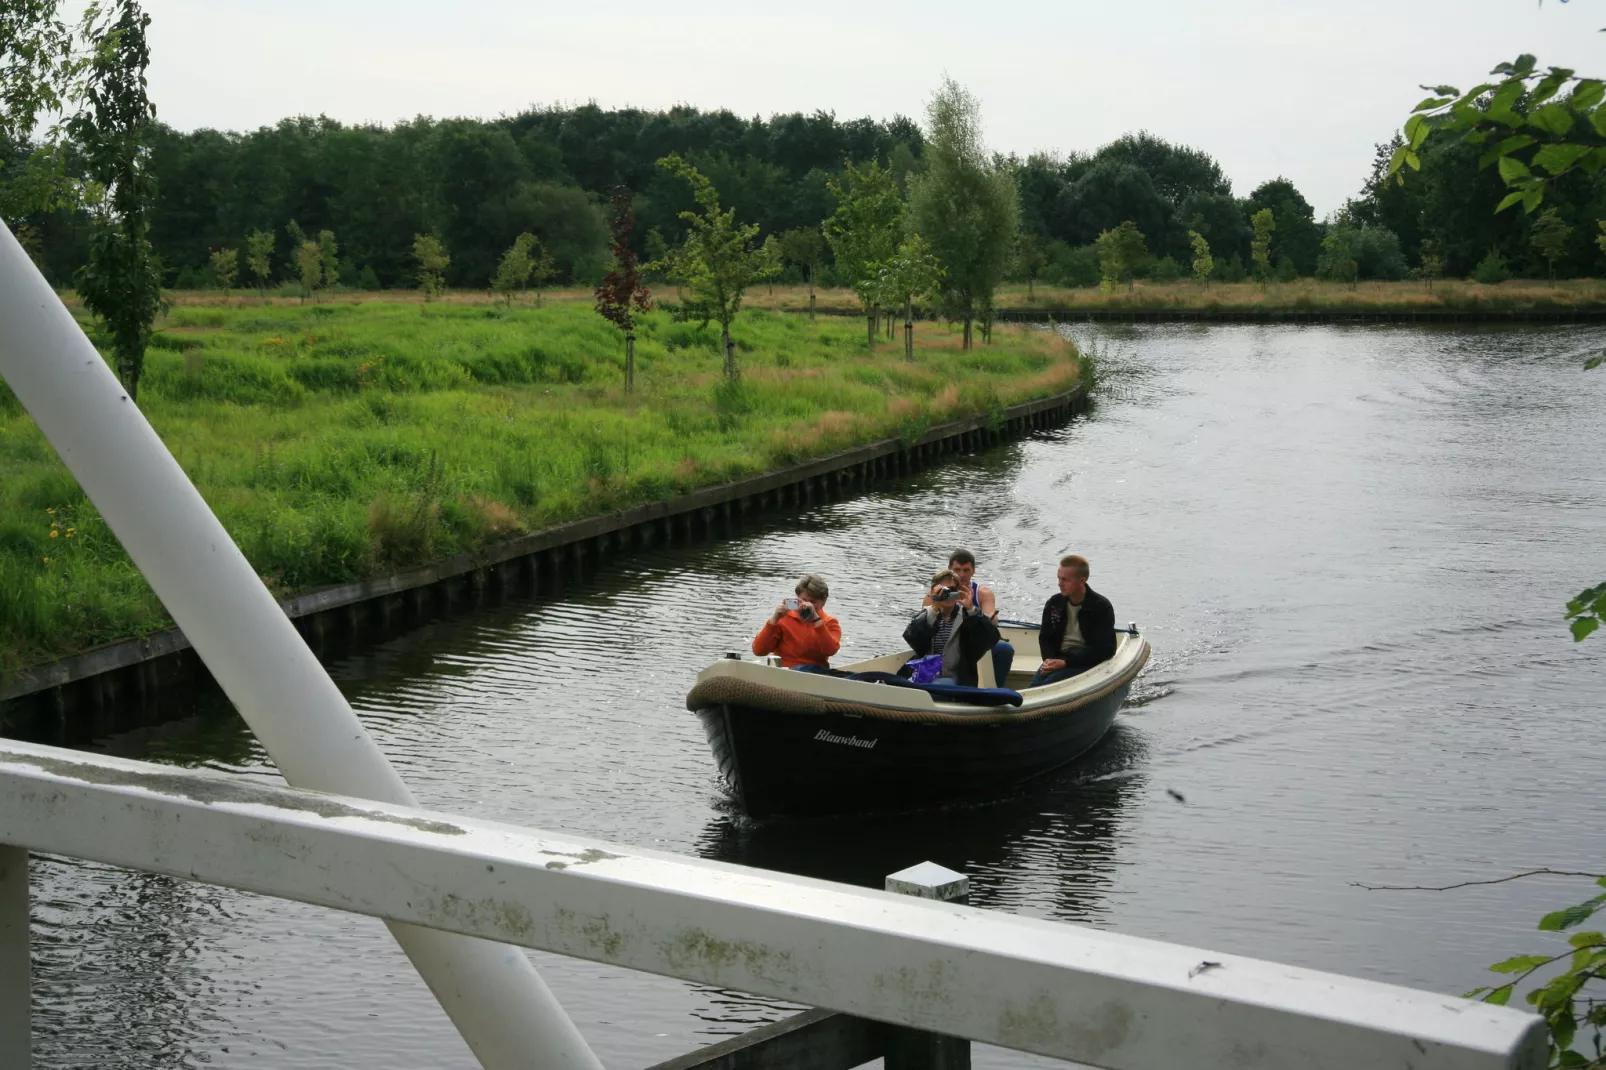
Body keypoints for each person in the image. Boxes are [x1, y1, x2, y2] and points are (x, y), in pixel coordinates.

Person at [904, 569, 1001, 688]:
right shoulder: (928, 615)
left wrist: (971, 610)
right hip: (925, 674)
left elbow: (991, 638)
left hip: (956, 678)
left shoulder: (968, 617)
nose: (947, 595)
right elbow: (912, 639)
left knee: (940, 685)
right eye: (943, 591)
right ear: (934, 592)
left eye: (952, 590)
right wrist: (933, 609)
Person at [1031, 554, 1116, 687]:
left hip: (1086, 662)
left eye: (1066, 580)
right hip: (1059, 658)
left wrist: (1066, 663)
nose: (1060, 584)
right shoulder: (1054, 603)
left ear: (1082, 581)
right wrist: (1050, 660)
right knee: (1037, 684)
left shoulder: (1100, 606)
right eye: (1059, 578)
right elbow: (1045, 638)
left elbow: (1104, 649)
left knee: (1045, 686)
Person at [934, 548, 1015, 687]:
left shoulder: (983, 593)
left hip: (975, 644)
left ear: (973, 571)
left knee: (1004, 649)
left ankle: (994, 690)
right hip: (949, 645)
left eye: (966, 570)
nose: (961, 575)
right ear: (949, 570)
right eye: (957, 570)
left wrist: (971, 609)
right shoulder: (936, 593)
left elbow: (992, 619)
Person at [752, 573, 841, 672]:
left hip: (813, 674)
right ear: (797, 597)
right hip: (785, 672)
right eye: (803, 600)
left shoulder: (830, 623)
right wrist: (774, 619)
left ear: (823, 602)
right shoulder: (784, 617)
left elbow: (830, 650)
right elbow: (758, 650)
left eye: (813, 602)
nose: (807, 605)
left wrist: (816, 620)